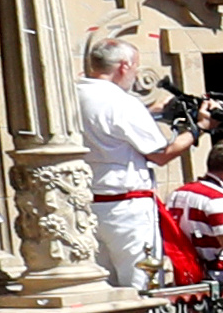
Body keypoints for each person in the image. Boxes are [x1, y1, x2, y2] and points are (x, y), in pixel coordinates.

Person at [79, 32, 189, 294]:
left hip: (88, 205)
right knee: (143, 285)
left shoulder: (73, 95)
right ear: (123, 66)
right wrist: (197, 131)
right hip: (126, 207)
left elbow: (108, 127)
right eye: (135, 66)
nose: (135, 74)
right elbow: (161, 154)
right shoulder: (122, 102)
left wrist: (152, 113)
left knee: (101, 288)